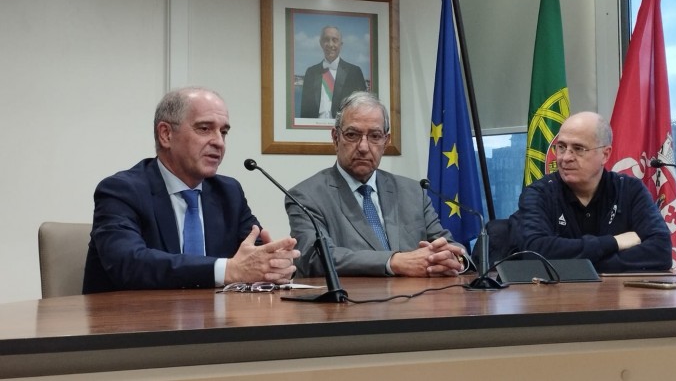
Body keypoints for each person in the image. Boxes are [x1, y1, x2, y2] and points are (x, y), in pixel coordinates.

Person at [82, 87, 300, 293]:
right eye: (204, 129)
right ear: (166, 134)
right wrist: (228, 270)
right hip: (134, 324)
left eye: (223, 132)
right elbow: (129, 263)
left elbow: (252, 257)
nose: (219, 142)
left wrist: (274, 263)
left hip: (215, 324)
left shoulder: (228, 192)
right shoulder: (121, 190)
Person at [286, 91, 470, 277]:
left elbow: (449, 244)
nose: (364, 147)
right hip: (347, 303)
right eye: (352, 135)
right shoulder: (306, 196)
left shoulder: (413, 192)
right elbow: (314, 258)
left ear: (386, 141)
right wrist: (393, 262)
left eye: (374, 136)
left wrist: (454, 260)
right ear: (336, 138)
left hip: (414, 301)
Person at [509, 111, 672, 272]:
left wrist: (586, 265)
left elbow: (661, 250)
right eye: (561, 147)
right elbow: (534, 252)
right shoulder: (539, 193)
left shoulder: (630, 190)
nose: (565, 157)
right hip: (557, 297)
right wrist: (614, 243)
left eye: (578, 149)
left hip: (619, 296)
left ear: (605, 154)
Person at [299, 26, 368, 119]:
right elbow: (304, 111)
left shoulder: (354, 72)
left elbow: (362, 108)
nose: (330, 44)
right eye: (326, 40)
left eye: (335, 40)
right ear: (321, 43)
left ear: (341, 44)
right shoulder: (310, 72)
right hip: (314, 129)